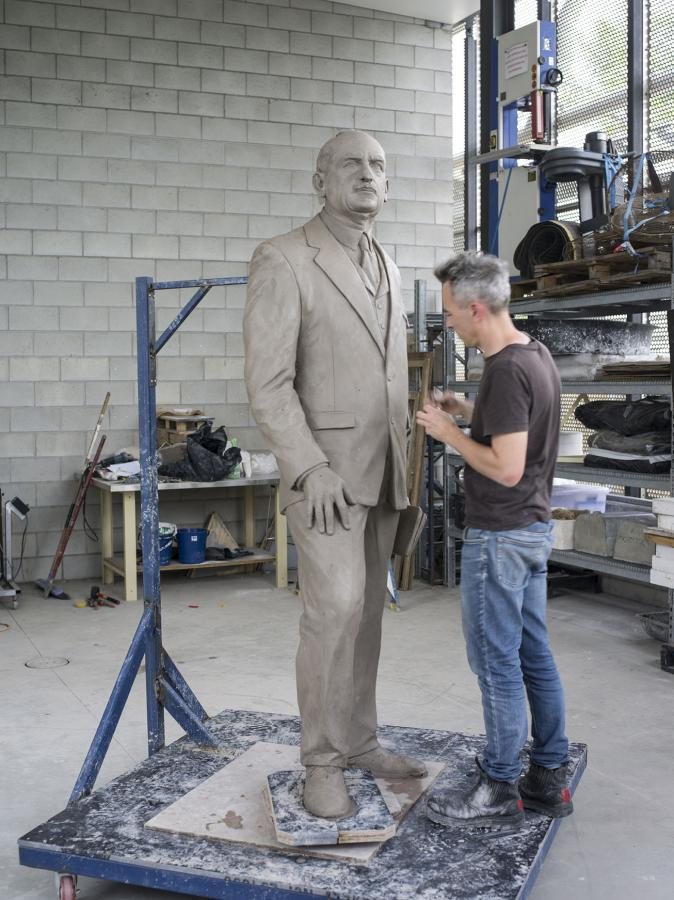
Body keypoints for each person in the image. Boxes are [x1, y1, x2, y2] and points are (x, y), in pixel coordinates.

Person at [244, 130, 427, 820]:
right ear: (319, 180)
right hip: (325, 477)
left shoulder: (388, 260)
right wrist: (308, 464)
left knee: (370, 613)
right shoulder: (285, 259)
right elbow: (268, 383)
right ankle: (320, 761)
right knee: (335, 608)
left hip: (386, 473)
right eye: (351, 164)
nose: (368, 175)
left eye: (379, 165)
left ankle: (361, 741)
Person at [416, 251, 573, 835]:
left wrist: (450, 433)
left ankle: (500, 784)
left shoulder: (505, 370)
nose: (449, 322)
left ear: (477, 308)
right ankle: (547, 776)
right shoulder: (532, 355)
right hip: (530, 531)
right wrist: (468, 409)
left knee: (496, 665)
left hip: (501, 536)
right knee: (533, 655)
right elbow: (515, 425)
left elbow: (506, 467)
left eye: (452, 313)